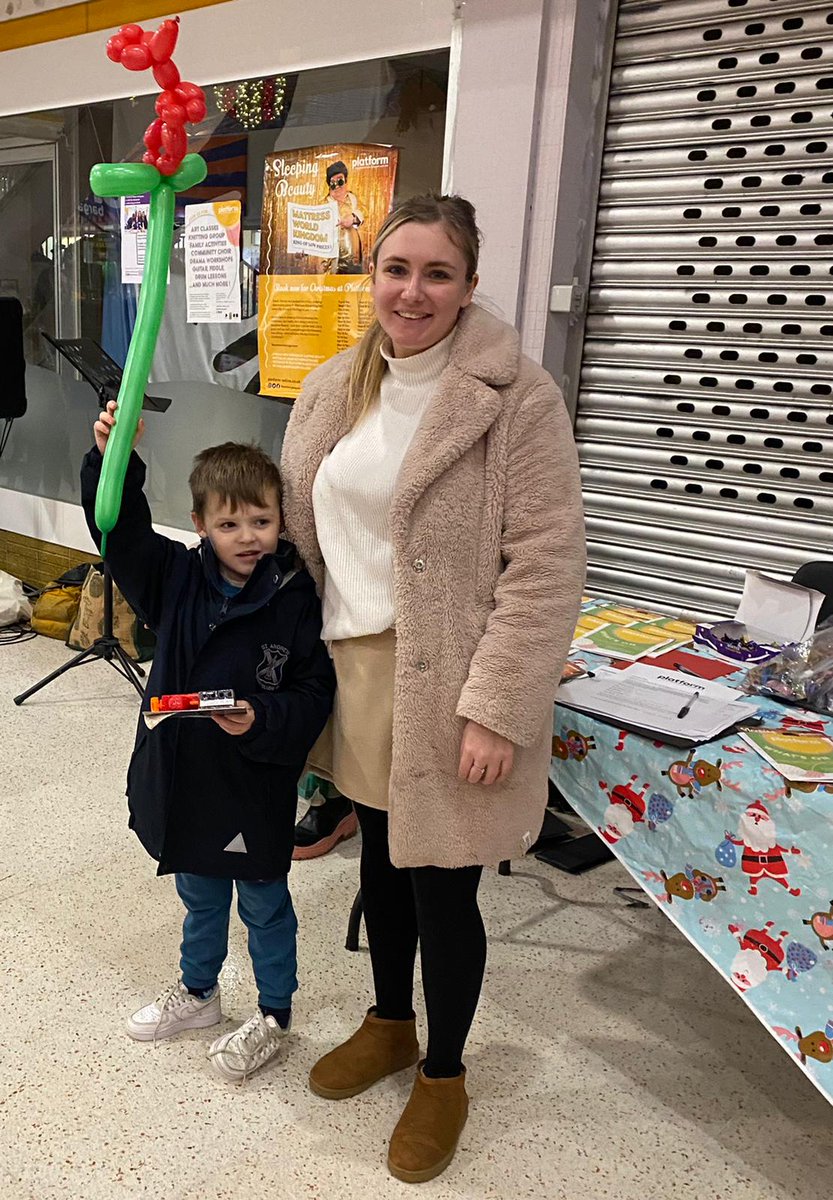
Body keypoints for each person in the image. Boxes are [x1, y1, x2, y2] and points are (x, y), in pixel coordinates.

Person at [280, 193, 585, 1182]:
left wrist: (497, 705)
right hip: (356, 672)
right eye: (395, 269)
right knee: (378, 859)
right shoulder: (334, 385)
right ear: (371, 276)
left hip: (451, 682)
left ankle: (444, 1075)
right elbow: (295, 525)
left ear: (466, 285)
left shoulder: (515, 398)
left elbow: (545, 563)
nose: (411, 292)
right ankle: (387, 1024)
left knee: (443, 890)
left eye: (436, 273)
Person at [80, 411, 335, 1080]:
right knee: (198, 894)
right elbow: (120, 530)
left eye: (260, 521)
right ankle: (198, 995)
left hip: (252, 781)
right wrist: (113, 462)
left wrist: (264, 719)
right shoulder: (175, 580)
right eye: (228, 524)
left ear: (280, 520)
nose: (246, 537)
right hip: (185, 777)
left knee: (262, 901)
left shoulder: (298, 598)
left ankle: (275, 1013)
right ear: (199, 525)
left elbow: (314, 692)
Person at [318, 160, 364, 274]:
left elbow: (365, 212)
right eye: (332, 183)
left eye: (340, 181)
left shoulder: (354, 199)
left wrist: (353, 218)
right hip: (330, 263)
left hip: (353, 261)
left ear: (346, 180)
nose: (337, 186)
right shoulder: (323, 204)